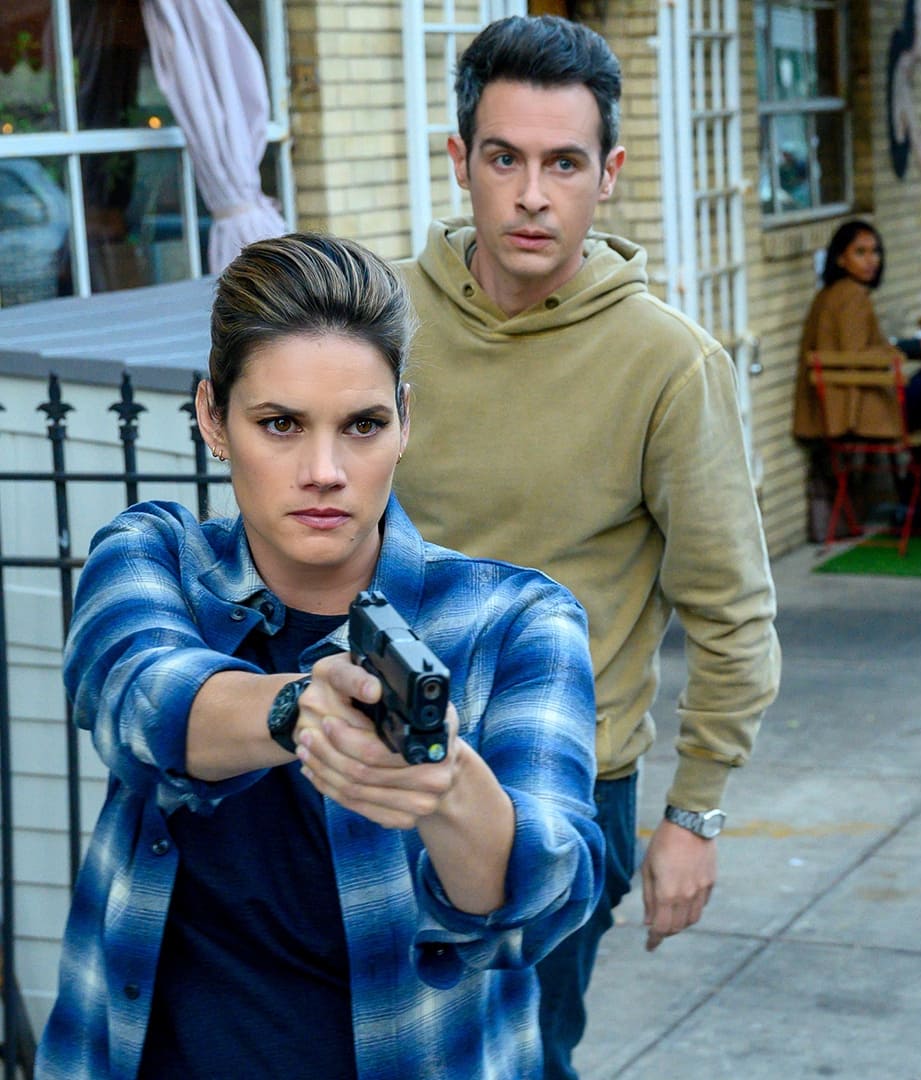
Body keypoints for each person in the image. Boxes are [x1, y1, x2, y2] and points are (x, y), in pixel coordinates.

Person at [36, 233, 604, 1079]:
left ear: (405, 421)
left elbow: (538, 908)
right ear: (211, 418)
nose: (325, 470)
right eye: (281, 424)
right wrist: (300, 708)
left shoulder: (516, 621)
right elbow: (140, 698)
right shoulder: (154, 556)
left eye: (363, 425)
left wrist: (447, 785)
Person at [390, 16, 781, 1080]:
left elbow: (733, 613)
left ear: (607, 174)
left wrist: (693, 814)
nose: (531, 195)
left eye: (563, 163)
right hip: (374, 767)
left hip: (556, 789)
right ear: (460, 159)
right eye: (504, 159)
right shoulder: (379, 320)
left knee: (517, 1063)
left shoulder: (669, 365)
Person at [794, 219, 921, 535]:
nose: (871, 260)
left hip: (836, 407)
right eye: (860, 252)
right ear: (840, 258)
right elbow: (856, 356)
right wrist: (896, 353)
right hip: (856, 412)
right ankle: (913, 501)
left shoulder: (828, 295)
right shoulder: (853, 296)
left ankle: (910, 500)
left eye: (874, 251)